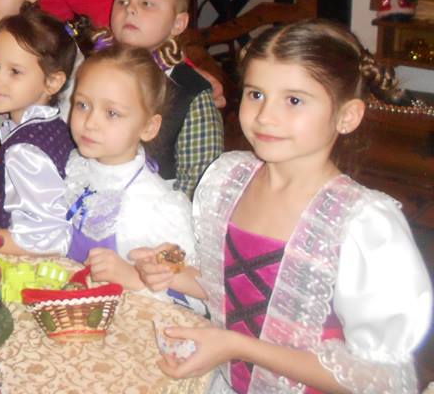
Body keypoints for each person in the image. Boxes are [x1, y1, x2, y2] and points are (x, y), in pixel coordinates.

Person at [133, 20, 432, 393]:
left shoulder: (363, 225)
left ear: (347, 116)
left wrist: (239, 346)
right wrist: (172, 274)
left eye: (293, 100)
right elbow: (228, 290)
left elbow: (380, 379)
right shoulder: (226, 181)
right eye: (256, 94)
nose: (265, 116)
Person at [54, 43, 195, 298]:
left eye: (112, 113)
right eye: (83, 105)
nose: (90, 122)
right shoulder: (76, 168)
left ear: (148, 127)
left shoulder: (158, 207)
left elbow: (191, 300)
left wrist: (134, 278)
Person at [109, 0, 222, 197]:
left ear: (178, 23)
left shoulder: (190, 92)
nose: (130, 9)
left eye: (146, 3)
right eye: (122, 1)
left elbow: (199, 179)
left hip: (158, 208)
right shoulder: (96, 73)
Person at [0, 8, 78, 255]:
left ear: (52, 82)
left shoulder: (25, 151)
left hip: (21, 266)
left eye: (15, 71)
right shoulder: (53, 127)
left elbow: (47, 238)